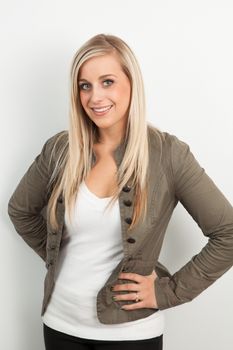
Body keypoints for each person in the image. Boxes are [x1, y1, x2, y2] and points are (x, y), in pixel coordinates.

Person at [7, 33, 233, 350]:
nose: (95, 97)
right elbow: (20, 209)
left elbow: (228, 232)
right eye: (85, 85)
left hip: (130, 335)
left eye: (107, 81)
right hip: (59, 325)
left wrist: (168, 291)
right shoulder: (61, 149)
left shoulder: (168, 154)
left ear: (131, 83)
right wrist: (55, 257)